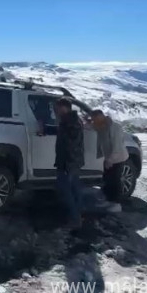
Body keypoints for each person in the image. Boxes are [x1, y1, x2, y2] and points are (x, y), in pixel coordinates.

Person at [54, 97, 85, 229]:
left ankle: (75, 219)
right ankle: (77, 216)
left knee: (66, 191)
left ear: (65, 108)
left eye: (59, 108)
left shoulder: (70, 122)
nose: (57, 110)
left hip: (68, 163)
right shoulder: (69, 121)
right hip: (72, 162)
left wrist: (67, 164)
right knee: (74, 190)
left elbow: (71, 145)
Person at [90, 109, 129, 213]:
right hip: (109, 157)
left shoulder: (114, 127)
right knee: (107, 179)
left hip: (118, 158)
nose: (94, 121)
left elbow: (117, 147)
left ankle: (116, 204)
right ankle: (108, 200)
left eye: (95, 119)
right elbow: (91, 127)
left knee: (115, 180)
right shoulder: (100, 126)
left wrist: (110, 160)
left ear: (101, 116)